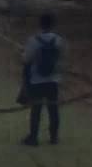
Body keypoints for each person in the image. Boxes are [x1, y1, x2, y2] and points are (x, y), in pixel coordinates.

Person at [21, 13, 65, 146]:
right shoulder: (58, 40)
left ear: (40, 24)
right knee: (53, 109)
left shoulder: (33, 40)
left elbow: (26, 59)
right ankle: (54, 137)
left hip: (37, 80)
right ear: (53, 25)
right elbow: (62, 59)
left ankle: (33, 138)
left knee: (36, 109)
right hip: (53, 80)